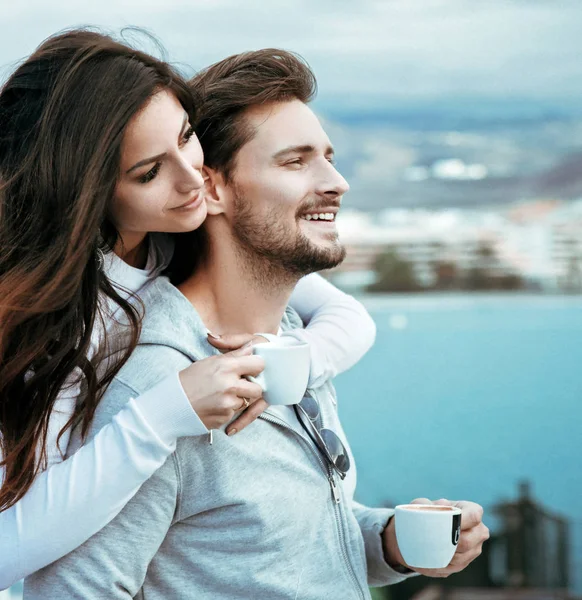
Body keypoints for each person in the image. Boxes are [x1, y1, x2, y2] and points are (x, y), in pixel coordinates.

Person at [25, 49, 489, 599]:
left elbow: (267, 542)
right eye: (295, 162)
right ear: (210, 188)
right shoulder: (157, 384)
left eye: (329, 157)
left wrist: (387, 541)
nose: (337, 182)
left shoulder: (289, 339)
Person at [0, 31, 377, 589]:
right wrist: (162, 416)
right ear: (87, 191)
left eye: (187, 137)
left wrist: (277, 364)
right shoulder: (61, 320)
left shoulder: (173, 238)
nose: (191, 180)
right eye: (149, 172)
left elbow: (351, 320)